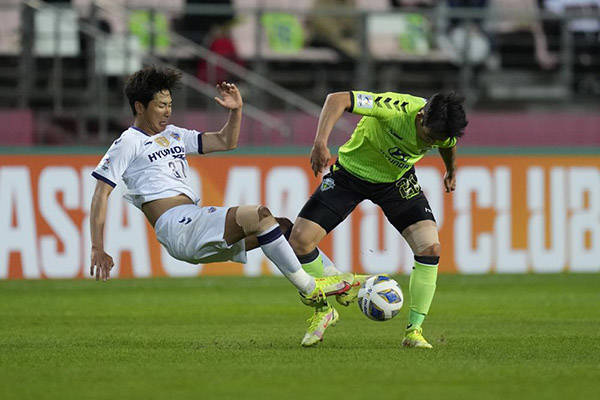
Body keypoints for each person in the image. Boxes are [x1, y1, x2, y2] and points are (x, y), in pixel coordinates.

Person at [89, 67, 364, 337]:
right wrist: (98, 248)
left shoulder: (172, 134)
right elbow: (101, 193)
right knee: (259, 215)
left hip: (191, 221)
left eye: (170, 104)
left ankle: (324, 306)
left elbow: (225, 141)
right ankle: (314, 287)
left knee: (281, 227)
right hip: (177, 226)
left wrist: (236, 111)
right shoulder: (128, 142)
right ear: (139, 106)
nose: (168, 111)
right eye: (161, 105)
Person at [288, 89, 468, 348]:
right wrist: (321, 142)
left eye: (436, 141)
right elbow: (337, 99)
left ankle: (414, 331)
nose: (430, 144)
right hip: (350, 176)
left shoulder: (441, 131)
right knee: (300, 241)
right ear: (420, 117)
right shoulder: (394, 108)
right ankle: (323, 309)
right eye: (429, 137)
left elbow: (448, 145)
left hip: (396, 182)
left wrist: (451, 171)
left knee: (430, 247)